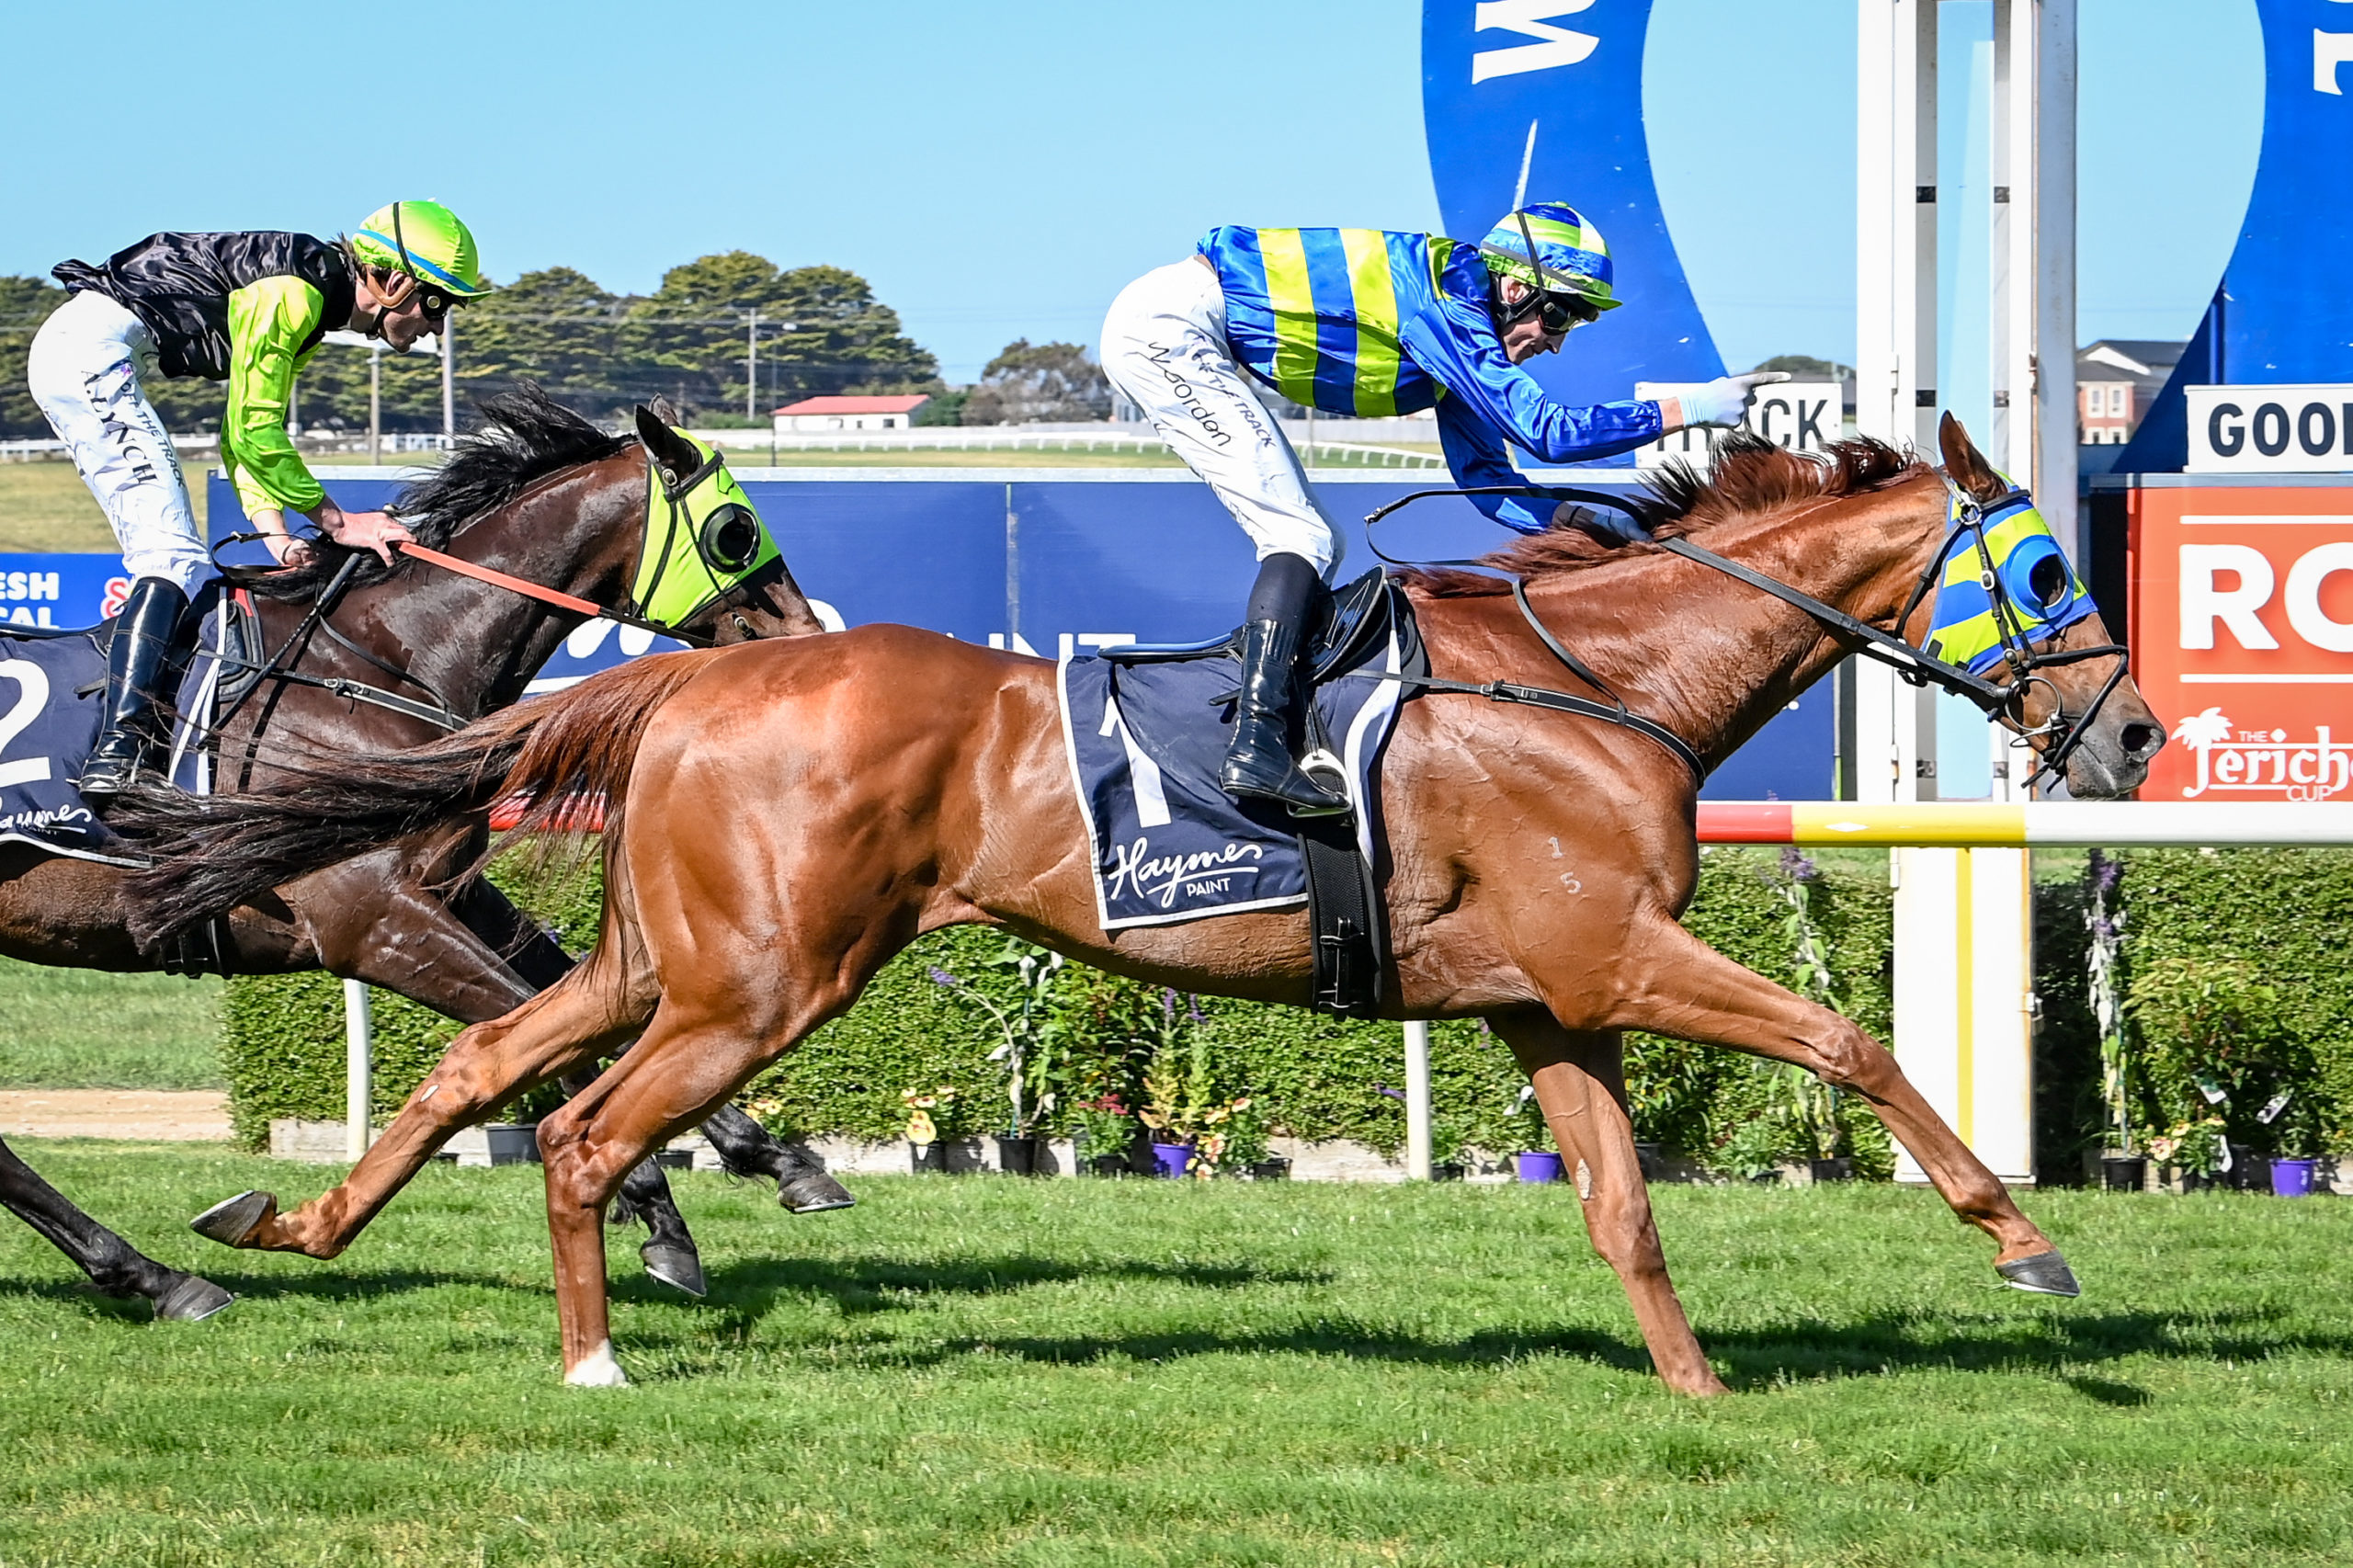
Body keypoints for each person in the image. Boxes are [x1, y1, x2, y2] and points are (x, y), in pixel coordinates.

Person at [1100, 203, 1785, 814]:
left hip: (1182, 324)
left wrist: (1578, 520)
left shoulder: (1462, 328)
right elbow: (1547, 432)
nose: (1557, 340)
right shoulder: (1448, 309)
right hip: (1172, 329)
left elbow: (1487, 480)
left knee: (1314, 538)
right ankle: (1257, 744)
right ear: (1515, 287)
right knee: (1302, 537)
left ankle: (1269, 728)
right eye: (1559, 314)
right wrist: (1689, 408)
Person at [28, 200, 490, 803]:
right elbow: (254, 431)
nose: (437, 327)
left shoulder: (312, 303)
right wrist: (337, 522)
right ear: (396, 283)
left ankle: (126, 745)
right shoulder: (293, 294)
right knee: (171, 559)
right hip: (88, 356)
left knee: (175, 559)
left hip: (86, 353)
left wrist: (274, 532)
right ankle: (120, 751)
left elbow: (237, 432)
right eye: (438, 304)